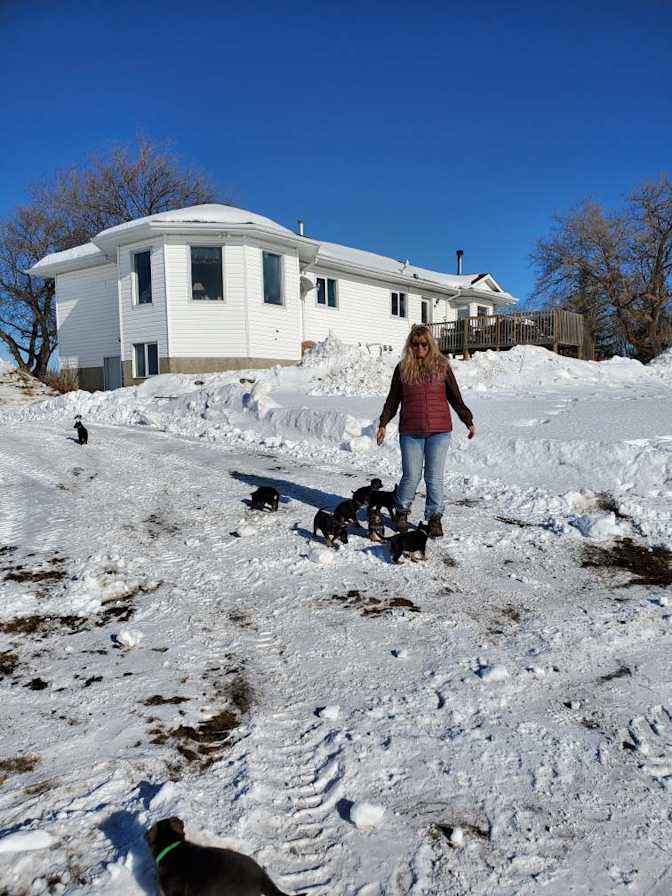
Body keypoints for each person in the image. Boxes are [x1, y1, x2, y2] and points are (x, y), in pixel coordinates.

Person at [376, 323, 476, 538]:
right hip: (411, 432)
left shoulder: (442, 366)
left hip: (439, 431)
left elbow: (455, 397)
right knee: (411, 476)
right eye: (415, 344)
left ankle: (434, 519)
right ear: (410, 346)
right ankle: (401, 511)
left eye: (424, 344)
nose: (420, 348)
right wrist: (383, 423)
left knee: (434, 477)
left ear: (430, 345)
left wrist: (467, 420)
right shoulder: (402, 369)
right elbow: (393, 401)